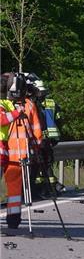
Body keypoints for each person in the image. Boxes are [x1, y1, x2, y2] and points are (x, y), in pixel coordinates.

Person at [3, 76, 42, 231]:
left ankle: (13, 218)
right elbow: (37, 130)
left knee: (14, 189)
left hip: (9, 154)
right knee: (14, 190)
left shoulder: (6, 104)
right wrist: (37, 148)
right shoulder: (29, 106)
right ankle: (13, 219)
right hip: (19, 155)